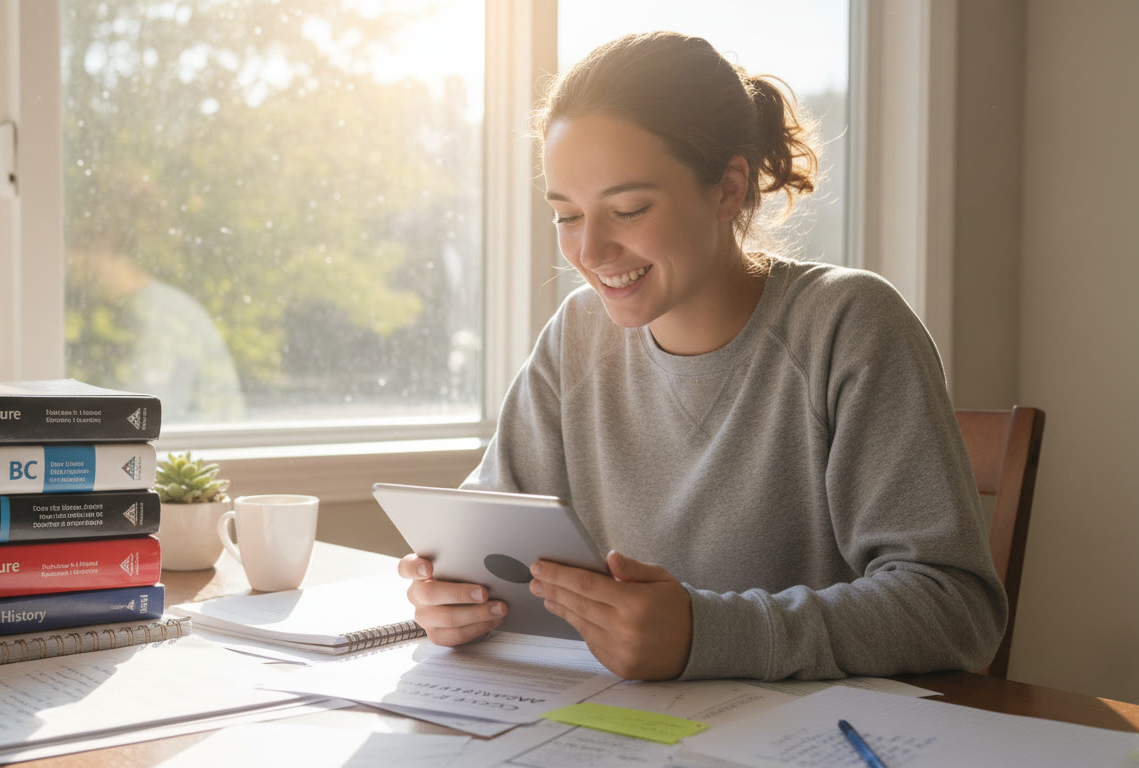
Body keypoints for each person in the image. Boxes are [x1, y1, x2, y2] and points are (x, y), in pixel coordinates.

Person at [397, 31, 1007, 682]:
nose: (591, 251)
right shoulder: (577, 335)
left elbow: (956, 612)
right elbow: (483, 536)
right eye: (567, 215)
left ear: (726, 189)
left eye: (627, 209)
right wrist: (450, 595)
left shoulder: (847, 325)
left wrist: (707, 634)